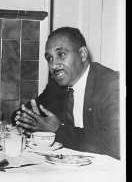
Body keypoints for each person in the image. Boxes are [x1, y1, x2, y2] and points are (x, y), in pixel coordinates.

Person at [13, 27, 120, 159]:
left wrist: (58, 130)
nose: (53, 65)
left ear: (82, 54)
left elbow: (117, 144)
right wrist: (25, 120)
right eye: (49, 58)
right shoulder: (56, 86)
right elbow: (24, 112)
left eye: (61, 54)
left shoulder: (112, 85)